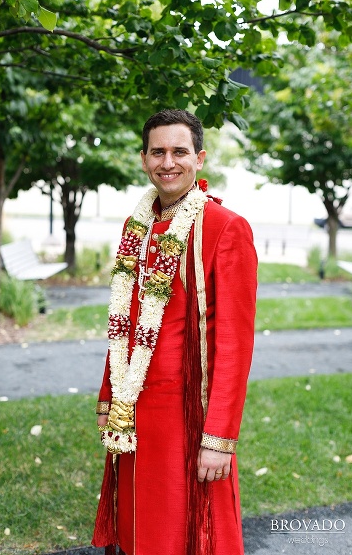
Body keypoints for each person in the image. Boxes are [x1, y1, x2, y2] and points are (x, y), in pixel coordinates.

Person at [92, 109, 257, 554]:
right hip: (135, 410)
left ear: (199, 158)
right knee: (136, 530)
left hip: (187, 414)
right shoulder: (137, 225)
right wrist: (109, 396)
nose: (168, 162)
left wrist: (219, 439)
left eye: (179, 151)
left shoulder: (225, 229)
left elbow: (235, 346)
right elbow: (122, 320)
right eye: (158, 151)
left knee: (181, 531)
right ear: (144, 159)